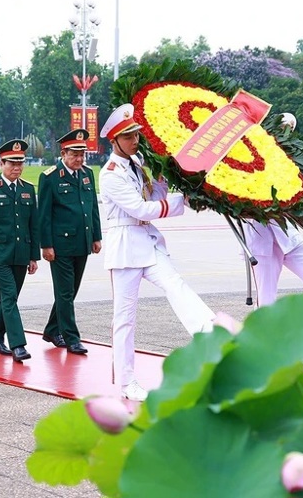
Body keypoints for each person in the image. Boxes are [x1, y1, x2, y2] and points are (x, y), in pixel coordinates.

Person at [99, 104, 217, 401]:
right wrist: (181, 202)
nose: (134, 141)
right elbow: (140, 209)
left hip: (147, 242)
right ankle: (127, 382)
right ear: (114, 141)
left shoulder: (138, 163)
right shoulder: (111, 173)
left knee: (176, 285)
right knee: (125, 318)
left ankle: (210, 332)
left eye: (136, 135)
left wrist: (164, 180)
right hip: (126, 245)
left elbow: (153, 197)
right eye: (127, 137)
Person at [38, 129, 101, 355]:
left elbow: (92, 206)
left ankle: (52, 329)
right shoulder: (50, 177)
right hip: (60, 245)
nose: (79, 159)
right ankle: (71, 337)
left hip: (82, 242)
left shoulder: (86, 174)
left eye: (82, 154)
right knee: (65, 292)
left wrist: (96, 236)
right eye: (74, 154)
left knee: (71, 291)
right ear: (63, 153)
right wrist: (46, 245)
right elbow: (43, 215)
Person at [0, 140, 40, 363]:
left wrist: (34, 256)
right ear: (2, 163)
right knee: (10, 297)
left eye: (20, 163)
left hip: (21, 253)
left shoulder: (27, 189)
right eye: (12, 163)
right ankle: (18, 344)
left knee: (9, 298)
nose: (17, 168)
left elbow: (33, 225)